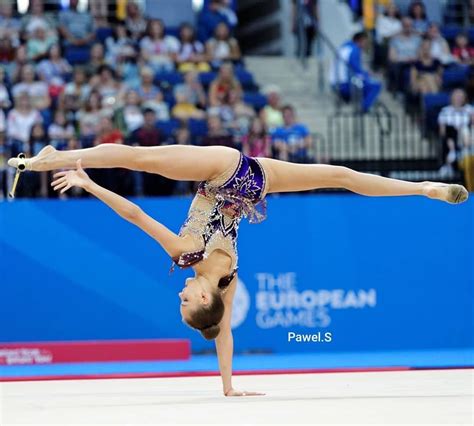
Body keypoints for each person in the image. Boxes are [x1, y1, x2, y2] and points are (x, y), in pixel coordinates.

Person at [8, 139, 468, 396]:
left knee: (341, 177)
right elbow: (135, 214)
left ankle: (423, 188)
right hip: (225, 171)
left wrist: (229, 387)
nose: (180, 294)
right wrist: (87, 182)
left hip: (254, 185)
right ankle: (45, 160)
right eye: (185, 302)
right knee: (138, 157)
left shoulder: (226, 282)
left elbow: (221, 333)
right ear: (203, 298)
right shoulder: (184, 255)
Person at [331, 32, 382, 112]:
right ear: (360, 40)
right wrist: (368, 75)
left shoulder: (344, 48)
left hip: (335, 83)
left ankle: (357, 103)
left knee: (366, 83)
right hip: (344, 84)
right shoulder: (354, 50)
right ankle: (363, 108)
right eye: (365, 42)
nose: (366, 45)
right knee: (375, 85)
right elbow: (356, 70)